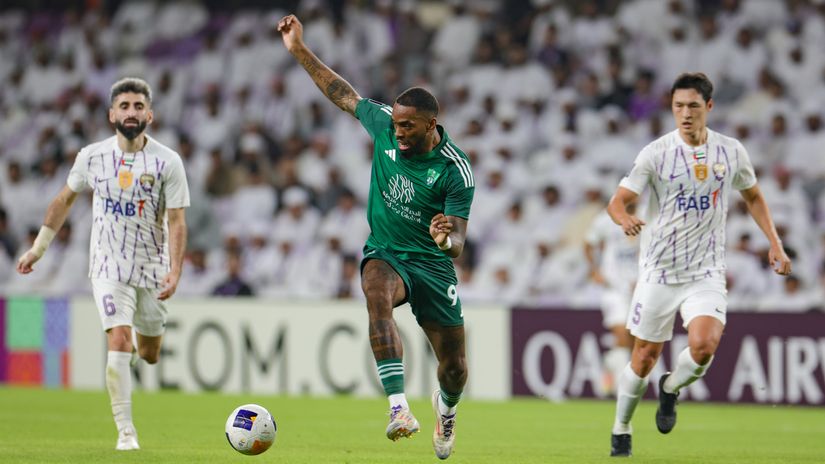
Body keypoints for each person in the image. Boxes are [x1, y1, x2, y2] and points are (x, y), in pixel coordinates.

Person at [278, 14, 475, 460]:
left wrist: (444, 239)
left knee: (455, 369)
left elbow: (458, 244)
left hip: (432, 264)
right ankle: (398, 408)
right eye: (396, 125)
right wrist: (299, 50)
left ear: (431, 124)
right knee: (376, 294)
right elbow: (342, 93)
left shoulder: (455, 169)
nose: (398, 132)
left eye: (408, 127)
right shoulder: (385, 122)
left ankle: (446, 411)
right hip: (387, 252)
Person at [606, 72, 791, 457]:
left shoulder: (731, 151)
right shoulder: (656, 153)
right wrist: (624, 219)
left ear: (709, 106)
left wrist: (775, 243)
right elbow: (617, 201)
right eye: (678, 106)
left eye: (693, 106)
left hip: (705, 271)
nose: (685, 113)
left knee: (704, 346)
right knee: (643, 358)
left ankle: (670, 387)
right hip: (658, 272)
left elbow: (753, 196)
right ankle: (621, 427)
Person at [16, 77, 190, 451]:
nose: (131, 112)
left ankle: (138, 352)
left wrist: (175, 270)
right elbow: (64, 200)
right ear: (112, 114)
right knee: (119, 339)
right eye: (124, 106)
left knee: (149, 354)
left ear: (150, 115)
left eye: (138, 106)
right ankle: (126, 432)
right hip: (108, 267)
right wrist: (38, 248)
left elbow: (177, 221)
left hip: (152, 268)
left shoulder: (168, 162)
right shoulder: (92, 156)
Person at [583, 203, 639, 396]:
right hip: (613, 288)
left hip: (637, 288)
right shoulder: (606, 219)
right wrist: (594, 271)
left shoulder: (646, 214)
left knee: (632, 339)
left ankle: (609, 364)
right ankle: (620, 388)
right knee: (621, 333)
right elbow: (588, 244)